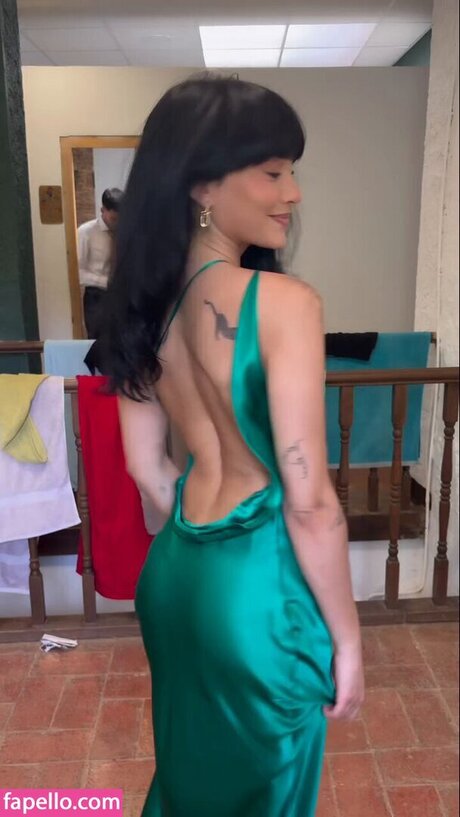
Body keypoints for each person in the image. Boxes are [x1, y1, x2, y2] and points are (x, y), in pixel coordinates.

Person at [103, 75, 365, 817]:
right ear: (202, 185)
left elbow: (146, 469)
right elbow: (310, 503)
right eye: (273, 172)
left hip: (176, 578)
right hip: (258, 598)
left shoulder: (140, 306)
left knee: (190, 784)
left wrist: (199, 549)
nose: (293, 194)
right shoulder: (287, 304)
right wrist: (347, 640)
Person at [77, 187, 123, 338]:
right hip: (97, 297)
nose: (117, 223)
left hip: (120, 295)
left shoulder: (123, 231)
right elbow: (78, 272)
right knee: (98, 341)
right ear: (102, 210)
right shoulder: (85, 232)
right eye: (113, 219)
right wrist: (106, 282)